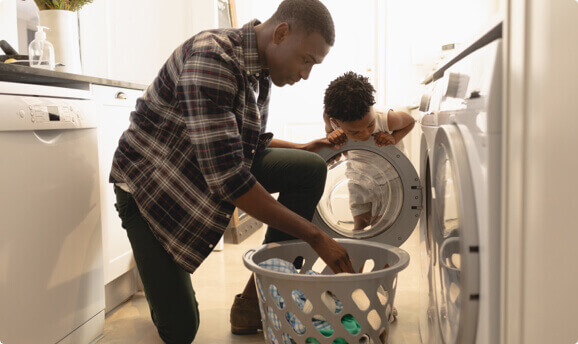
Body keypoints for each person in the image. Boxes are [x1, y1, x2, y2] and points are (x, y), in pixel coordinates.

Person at [109, 1, 355, 343]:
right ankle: (153, 253)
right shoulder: (212, 59)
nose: (306, 74)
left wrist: (303, 149)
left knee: (309, 169)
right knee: (180, 331)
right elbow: (229, 180)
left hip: (200, 169)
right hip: (153, 190)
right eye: (306, 60)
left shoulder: (262, 69)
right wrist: (316, 236)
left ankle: (256, 299)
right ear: (281, 33)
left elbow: (246, 144)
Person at [323, 71, 415, 231]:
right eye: (355, 132)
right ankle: (357, 253)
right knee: (359, 223)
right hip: (357, 176)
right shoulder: (334, 123)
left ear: (372, 108)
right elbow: (330, 133)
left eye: (370, 125)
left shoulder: (385, 119)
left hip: (389, 180)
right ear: (336, 122)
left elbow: (410, 121)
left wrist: (394, 138)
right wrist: (331, 134)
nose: (365, 134)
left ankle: (381, 254)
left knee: (380, 226)